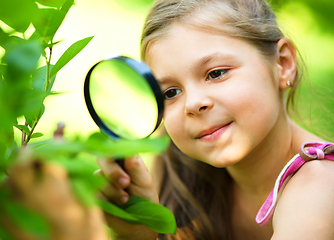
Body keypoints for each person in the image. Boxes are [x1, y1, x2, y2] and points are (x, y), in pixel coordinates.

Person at [98, 0, 334, 239]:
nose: (192, 104)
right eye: (171, 93)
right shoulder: (187, 179)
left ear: (282, 64)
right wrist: (141, 231)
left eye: (216, 73)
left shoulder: (320, 186)